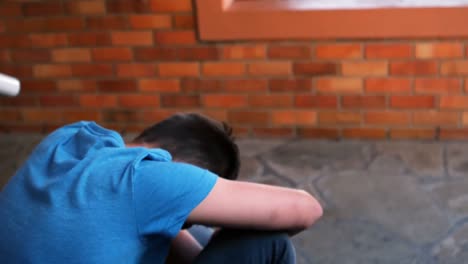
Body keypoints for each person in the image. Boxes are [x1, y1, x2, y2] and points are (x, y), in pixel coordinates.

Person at [0, 112, 323, 264]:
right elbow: (305, 208)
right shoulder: (156, 178)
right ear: (187, 169)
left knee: (185, 234)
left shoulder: (71, 137)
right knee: (268, 240)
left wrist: (182, 222)